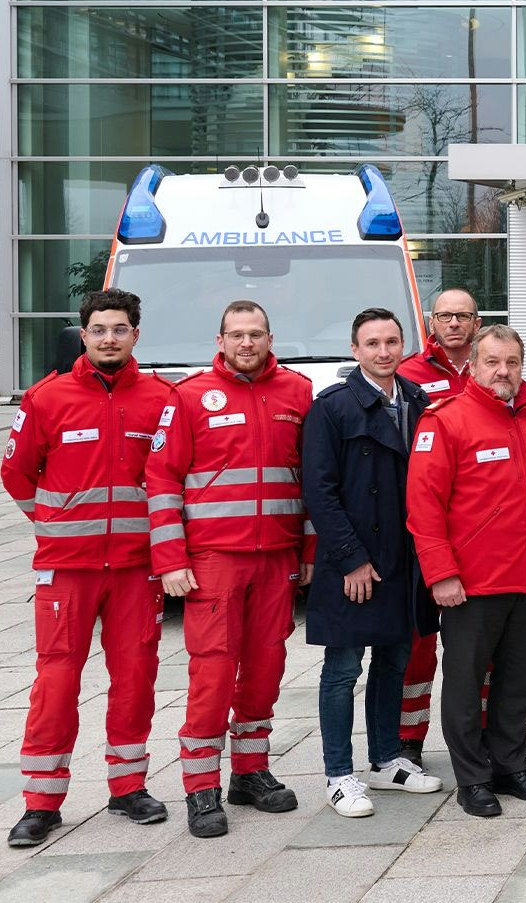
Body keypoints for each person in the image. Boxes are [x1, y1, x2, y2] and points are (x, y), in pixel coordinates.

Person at [4, 289, 172, 847]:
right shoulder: (46, 398)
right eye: (98, 329)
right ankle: (41, 802)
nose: (108, 338)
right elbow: (16, 474)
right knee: (56, 682)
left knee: (136, 677)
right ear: (83, 335)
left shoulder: (161, 399)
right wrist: (53, 522)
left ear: (135, 335)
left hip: (136, 569)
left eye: (119, 329)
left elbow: (171, 475)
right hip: (66, 570)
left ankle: (128, 788)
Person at [147, 300, 314, 838]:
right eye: (237, 334)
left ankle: (250, 772)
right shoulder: (189, 396)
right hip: (214, 560)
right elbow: (162, 480)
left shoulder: (297, 392)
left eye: (256, 333)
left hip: (277, 558)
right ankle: (201, 788)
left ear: (270, 338)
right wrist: (170, 559)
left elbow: (310, 478)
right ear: (220, 341)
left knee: (266, 669)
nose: (247, 343)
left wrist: (309, 553)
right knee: (213, 674)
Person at [408, 325, 526, 818]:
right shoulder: (445, 420)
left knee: (517, 681)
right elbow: (423, 506)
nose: (502, 371)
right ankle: (472, 778)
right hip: (472, 583)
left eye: (511, 362)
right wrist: (441, 573)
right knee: (465, 685)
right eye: (492, 362)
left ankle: (510, 765)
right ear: (474, 364)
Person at [302, 309, 443, 818]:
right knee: (342, 670)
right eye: (372, 343)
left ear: (404, 345)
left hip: (405, 561)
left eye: (391, 341)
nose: (383, 351)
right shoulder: (333, 408)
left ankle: (386, 760)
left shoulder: (418, 401)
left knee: (394, 661)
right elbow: (319, 491)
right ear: (355, 350)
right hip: (355, 563)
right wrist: (351, 560)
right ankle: (339, 775)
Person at [395, 286, 480, 764]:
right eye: (445, 316)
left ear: (477, 323)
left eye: (462, 316)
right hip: (425, 531)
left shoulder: (489, 370)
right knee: (418, 646)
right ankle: (408, 738)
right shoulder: (408, 375)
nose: (453, 324)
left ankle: (481, 734)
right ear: (432, 322)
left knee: (481, 647)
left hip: (480, 532)